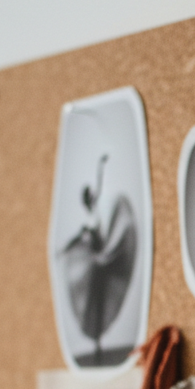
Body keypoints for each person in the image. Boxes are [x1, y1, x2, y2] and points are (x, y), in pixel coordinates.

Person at [59, 153, 137, 365]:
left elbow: (100, 186)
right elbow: (78, 238)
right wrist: (64, 250)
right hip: (96, 266)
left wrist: (100, 166)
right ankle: (97, 346)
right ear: (88, 200)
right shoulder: (89, 219)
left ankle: (98, 345)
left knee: (101, 302)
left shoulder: (96, 214)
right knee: (95, 304)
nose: (95, 195)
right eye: (92, 195)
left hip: (103, 262)